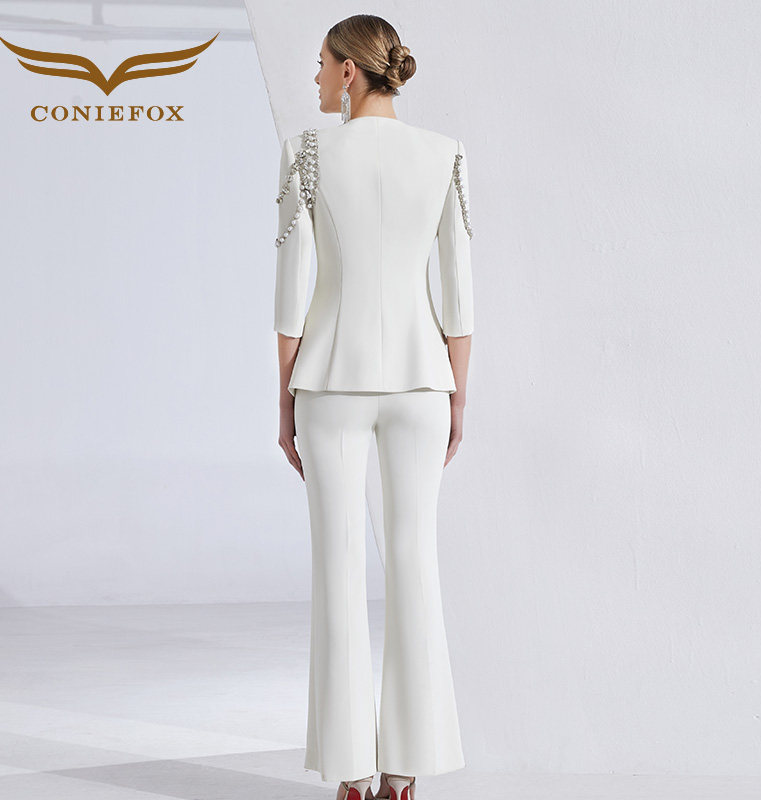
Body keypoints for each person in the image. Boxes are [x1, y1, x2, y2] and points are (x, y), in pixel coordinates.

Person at [273, 14, 474, 800]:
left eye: (322, 64)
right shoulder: (444, 153)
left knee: (338, 565)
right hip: (425, 381)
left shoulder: (307, 153)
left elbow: (290, 295)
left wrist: (282, 402)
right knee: (415, 562)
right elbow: (458, 295)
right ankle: (405, 774)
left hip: (329, 381)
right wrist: (459, 394)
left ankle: (352, 775)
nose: (317, 78)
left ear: (350, 71)